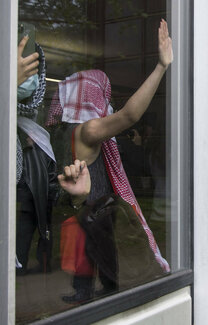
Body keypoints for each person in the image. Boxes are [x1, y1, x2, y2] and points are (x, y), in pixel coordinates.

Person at [46, 19, 172, 303]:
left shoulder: (64, 130)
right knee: (101, 254)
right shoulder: (89, 130)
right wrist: (161, 66)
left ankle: (86, 292)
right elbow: (129, 116)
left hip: (79, 209)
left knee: (89, 255)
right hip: (94, 209)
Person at [15, 35, 59, 275]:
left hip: (34, 197)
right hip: (23, 197)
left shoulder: (37, 129)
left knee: (31, 230)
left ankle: (34, 265)